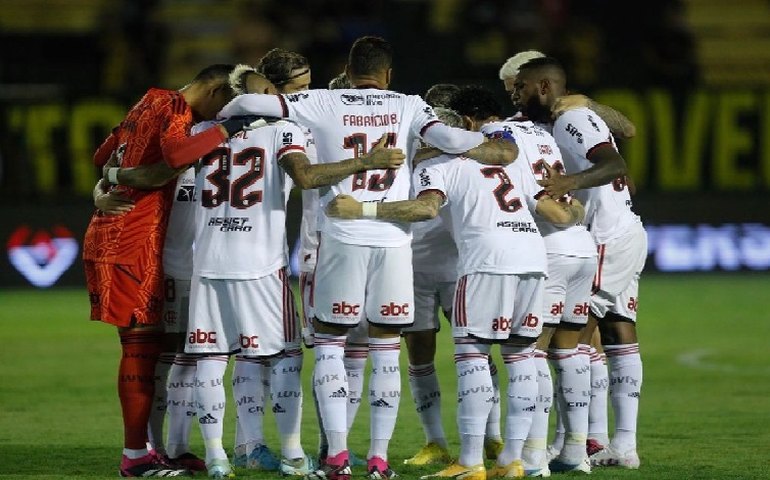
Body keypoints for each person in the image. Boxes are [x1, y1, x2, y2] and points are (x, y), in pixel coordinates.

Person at [217, 36, 515, 480]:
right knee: (386, 351)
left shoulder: (319, 102)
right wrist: (498, 139)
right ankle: (378, 460)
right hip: (394, 242)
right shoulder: (409, 104)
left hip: (341, 235)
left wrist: (223, 116)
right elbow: (455, 141)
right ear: (389, 73)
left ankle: (335, 457)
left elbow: (239, 108)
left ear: (348, 68)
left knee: (332, 347)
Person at [326, 85, 581, 480]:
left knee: (473, 357)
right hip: (533, 258)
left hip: (486, 263)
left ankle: (471, 462)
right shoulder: (508, 162)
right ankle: (512, 461)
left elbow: (425, 208)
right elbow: (556, 210)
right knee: (521, 359)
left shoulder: (438, 164)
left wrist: (364, 207)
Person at [186, 68, 407, 479]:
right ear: (267, 94)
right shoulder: (284, 130)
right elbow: (305, 177)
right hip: (261, 263)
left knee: (211, 359)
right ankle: (293, 454)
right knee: (287, 356)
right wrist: (368, 160)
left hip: (207, 260)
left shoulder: (201, 131)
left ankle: (216, 456)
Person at [82, 63, 257, 478]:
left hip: (127, 236)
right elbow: (175, 158)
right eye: (225, 106)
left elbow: (101, 156)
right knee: (140, 351)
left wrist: (108, 179)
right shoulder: (177, 108)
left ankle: (152, 450)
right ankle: (135, 457)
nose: (217, 117)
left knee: (152, 349)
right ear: (216, 91)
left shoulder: (149, 100)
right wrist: (230, 130)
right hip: (130, 241)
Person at [518, 57, 646, 470]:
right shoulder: (573, 115)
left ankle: (571, 444)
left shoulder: (570, 119)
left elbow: (615, 163)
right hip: (622, 229)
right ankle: (619, 444)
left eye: (518, 88)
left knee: (568, 341)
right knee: (617, 329)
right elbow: (624, 132)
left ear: (541, 87)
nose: (515, 97)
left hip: (607, 236)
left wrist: (568, 183)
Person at [499, 50, 637, 139]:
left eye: (520, 88)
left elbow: (627, 130)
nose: (515, 96)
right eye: (510, 92)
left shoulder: (575, 107)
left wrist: (589, 105)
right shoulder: (513, 127)